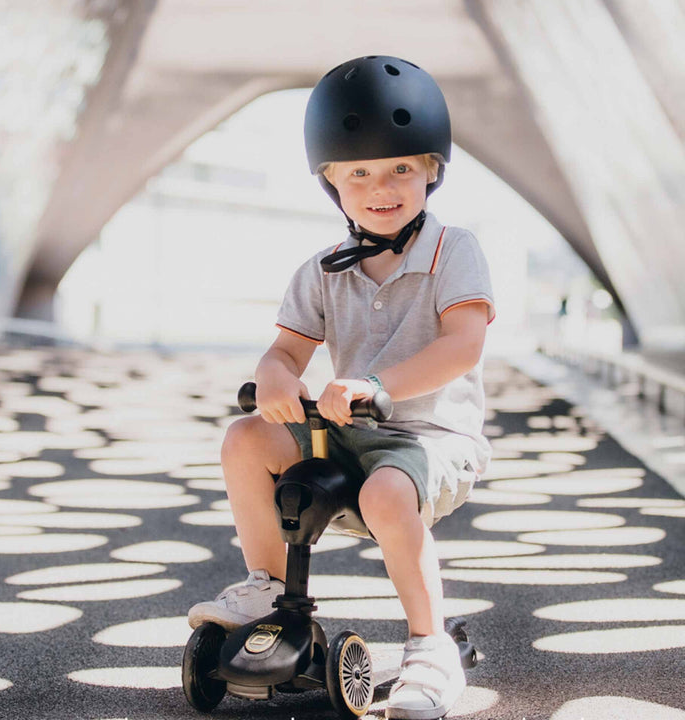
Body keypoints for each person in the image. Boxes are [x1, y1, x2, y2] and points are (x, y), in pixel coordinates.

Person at [188, 55, 495, 720]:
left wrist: (376, 383)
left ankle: (430, 648)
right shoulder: (325, 269)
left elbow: (462, 345)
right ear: (331, 181)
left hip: (433, 442)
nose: (380, 186)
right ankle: (267, 589)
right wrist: (275, 380)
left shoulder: (455, 251)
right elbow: (285, 350)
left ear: (431, 171)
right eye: (358, 172)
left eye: (400, 169)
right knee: (247, 437)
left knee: (387, 490)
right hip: (350, 434)